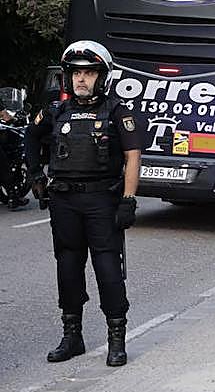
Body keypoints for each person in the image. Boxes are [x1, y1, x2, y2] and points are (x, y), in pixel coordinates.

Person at [24, 41, 143, 367]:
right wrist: (36, 176)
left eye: (88, 72)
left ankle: (116, 339)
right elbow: (30, 137)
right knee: (68, 268)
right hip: (64, 202)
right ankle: (71, 336)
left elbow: (133, 156)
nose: (81, 79)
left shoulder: (117, 111)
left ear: (101, 76)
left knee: (108, 269)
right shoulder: (56, 111)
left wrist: (128, 201)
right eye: (76, 72)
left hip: (101, 201)